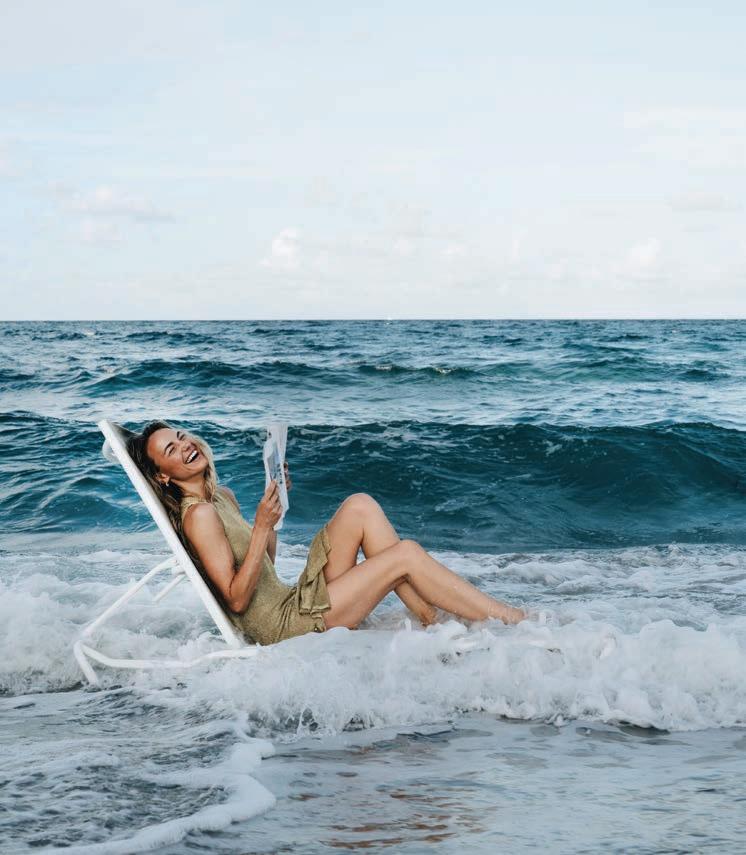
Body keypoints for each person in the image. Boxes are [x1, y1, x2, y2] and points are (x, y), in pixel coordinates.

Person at [126, 420, 526, 647]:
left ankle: (429, 618)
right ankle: (514, 621)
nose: (184, 446)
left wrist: (273, 511)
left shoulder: (221, 498)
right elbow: (236, 599)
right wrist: (260, 525)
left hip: (288, 600)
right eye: (171, 450)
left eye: (180, 437)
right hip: (282, 627)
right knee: (404, 554)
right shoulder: (198, 516)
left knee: (359, 506)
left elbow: (264, 568)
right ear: (163, 476)